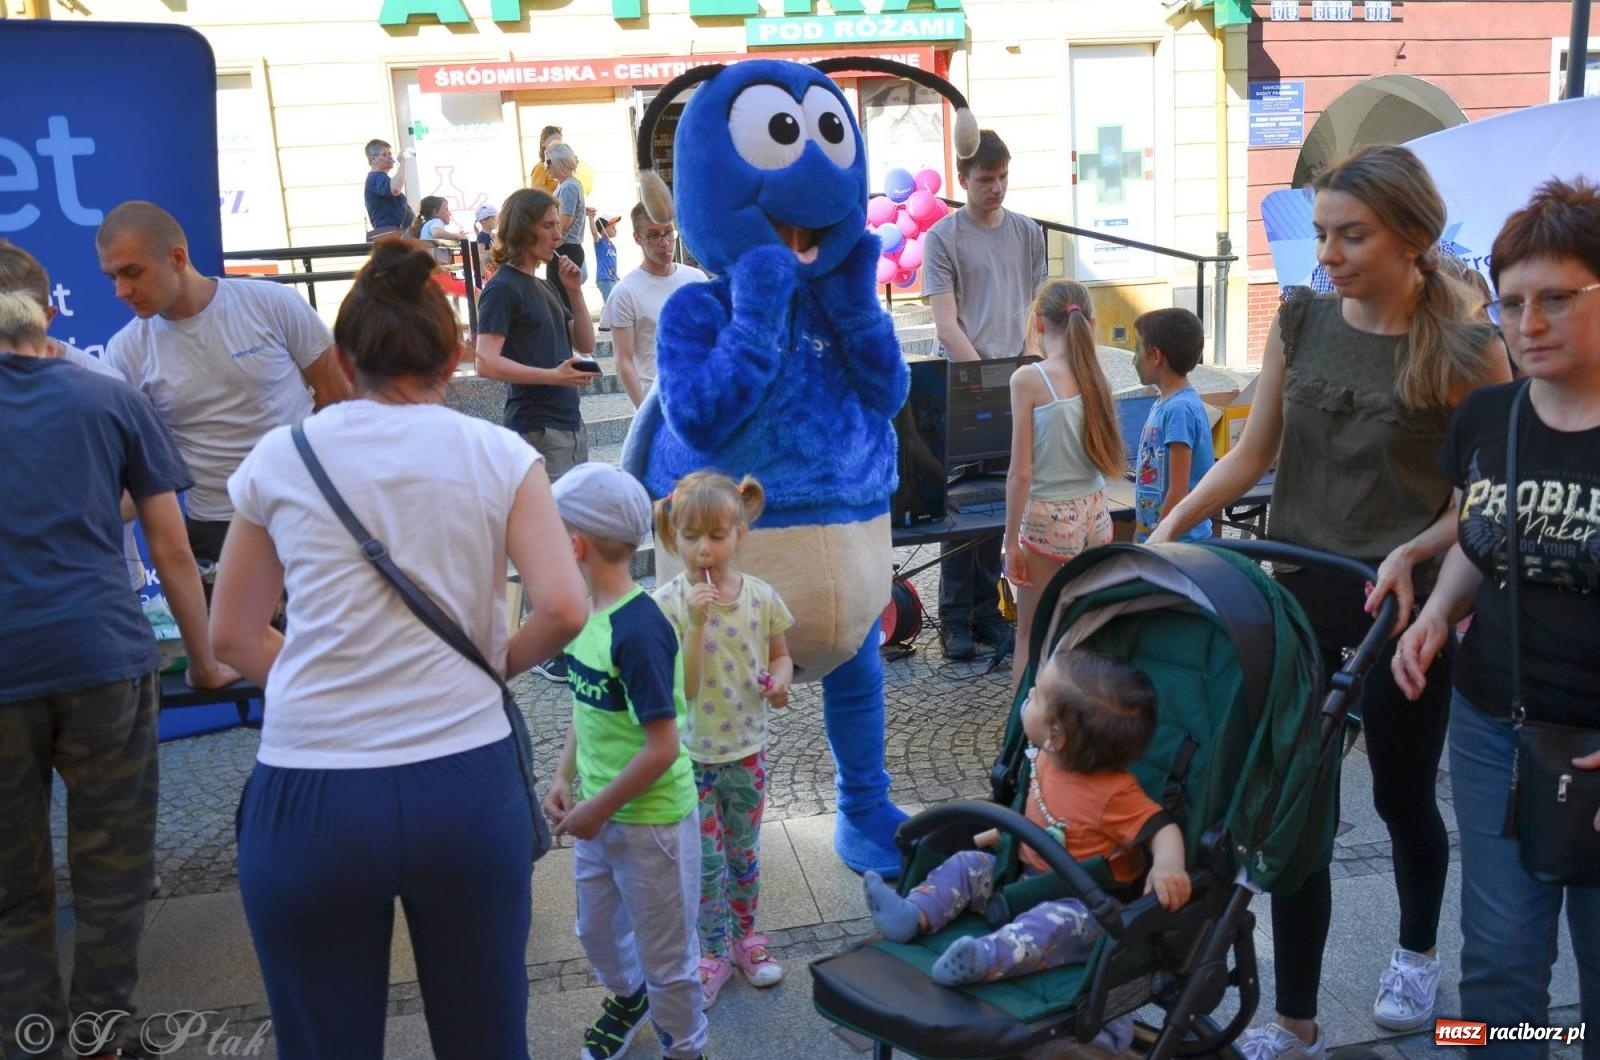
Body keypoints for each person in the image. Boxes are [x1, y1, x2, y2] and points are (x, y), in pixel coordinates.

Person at [1149, 144, 1511, 1057]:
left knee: (1400, 792)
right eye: (1322, 234)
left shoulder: (1467, 349)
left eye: (1352, 235)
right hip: (1298, 589)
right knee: (1293, 800)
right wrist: (1172, 524)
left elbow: (1488, 492)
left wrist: (1420, 552)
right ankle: (1296, 1017)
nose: (1329, 254)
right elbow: (1252, 454)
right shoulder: (1301, 320)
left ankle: (1416, 951)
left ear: (1412, 238)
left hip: (1403, 604)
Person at [208, 238, 588, 1060]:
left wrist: (316, 683)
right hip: (465, 782)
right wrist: (489, 664)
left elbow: (231, 635)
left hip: (312, 792)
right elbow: (563, 606)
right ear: (453, 356)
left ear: (344, 360)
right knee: (486, 1036)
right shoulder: (500, 454)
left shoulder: (282, 456)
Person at [0, 288, 235, 1060]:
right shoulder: (109, 398)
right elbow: (171, 545)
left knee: (10, 879)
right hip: (101, 655)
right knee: (113, 866)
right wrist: (205, 658)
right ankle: (103, 1036)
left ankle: (28, 1038)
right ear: (48, 321)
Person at [1394, 177, 1600, 1054]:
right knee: (1498, 968)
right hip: (1494, 730)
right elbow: (1483, 538)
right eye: (1511, 303)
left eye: (1557, 298)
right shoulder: (1489, 415)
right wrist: (1438, 612)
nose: (1529, 323)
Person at [859, 649, 1189, 1052]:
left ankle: (984, 958)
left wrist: (1168, 864)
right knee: (966, 864)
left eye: (1037, 695)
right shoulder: (1043, 760)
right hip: (1018, 875)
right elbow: (1037, 817)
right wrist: (993, 836)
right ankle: (912, 915)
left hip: (1087, 906)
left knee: (1049, 923)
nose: (1028, 693)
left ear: (1056, 735)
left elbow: (1161, 826)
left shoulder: (1116, 794)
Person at [543, 462, 709, 1060]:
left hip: (652, 824)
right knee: (595, 931)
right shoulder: (581, 614)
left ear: (574, 545)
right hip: (598, 812)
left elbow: (663, 747)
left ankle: (686, 1046)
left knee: (669, 956)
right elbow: (587, 704)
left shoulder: (638, 630)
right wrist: (564, 775)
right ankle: (628, 996)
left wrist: (596, 810)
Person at [97, 201, 352, 568]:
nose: (121, 291)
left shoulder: (270, 302)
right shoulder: (125, 351)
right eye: (112, 278)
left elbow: (339, 401)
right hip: (216, 527)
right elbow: (131, 470)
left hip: (309, 505)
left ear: (177, 257)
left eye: (132, 272)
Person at [652, 471, 796, 1008]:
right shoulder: (668, 604)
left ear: (739, 533)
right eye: (690, 537)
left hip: (747, 751)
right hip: (692, 757)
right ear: (673, 537)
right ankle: (711, 951)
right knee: (705, 862)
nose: (703, 549)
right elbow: (685, 687)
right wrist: (696, 622)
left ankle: (747, 939)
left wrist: (779, 682)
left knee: (744, 853)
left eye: (716, 536)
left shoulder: (761, 598)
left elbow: (781, 655)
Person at [923, 129, 1047, 661]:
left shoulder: (1028, 233)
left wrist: (1026, 361)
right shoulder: (942, 238)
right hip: (964, 383)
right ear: (962, 179)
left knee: (1001, 498)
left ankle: (986, 610)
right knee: (961, 505)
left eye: (1002, 178)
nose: (996, 188)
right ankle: (954, 616)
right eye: (985, 180)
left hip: (1016, 378)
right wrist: (986, 379)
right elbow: (945, 324)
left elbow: (1037, 309)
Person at [476, 188, 598, 683]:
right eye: (548, 225)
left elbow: (586, 343)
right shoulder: (503, 287)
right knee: (548, 540)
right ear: (524, 228)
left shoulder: (544, 285)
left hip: (567, 424)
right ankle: (546, 648)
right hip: (536, 427)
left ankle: (560, 639)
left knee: (568, 535)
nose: (557, 234)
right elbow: (485, 361)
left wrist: (574, 291)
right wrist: (552, 377)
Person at [0, 240, 143, 590]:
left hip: (102, 585)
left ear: (48, 316)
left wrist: (56, 523)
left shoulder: (105, 385)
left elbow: (139, 494)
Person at [1003, 280, 1123, 685]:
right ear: (1089, 321)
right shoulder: (1096, 377)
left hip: (1048, 517)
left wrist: (1010, 543)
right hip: (1095, 513)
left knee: (1030, 636)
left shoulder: (1028, 379)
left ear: (1039, 323)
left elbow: (1020, 473)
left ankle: (1025, 721)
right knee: (1083, 630)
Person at [600, 203, 707, 408]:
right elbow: (623, 360)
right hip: (657, 401)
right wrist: (644, 410)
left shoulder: (696, 278)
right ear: (637, 238)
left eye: (669, 233)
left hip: (701, 397)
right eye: (654, 236)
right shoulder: (625, 292)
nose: (664, 242)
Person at [1131, 307, 1216, 543]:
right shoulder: (1164, 404)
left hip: (1179, 544)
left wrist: (1157, 541)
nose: (1134, 359)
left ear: (1156, 356)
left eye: (1137, 350)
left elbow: (1178, 491)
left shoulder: (1179, 410)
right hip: (1160, 540)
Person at [545, 143, 588, 316]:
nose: (546, 167)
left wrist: (550, 243)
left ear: (559, 161)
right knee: (563, 302)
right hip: (568, 248)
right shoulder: (568, 185)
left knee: (561, 304)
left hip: (565, 249)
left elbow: (564, 222)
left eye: (548, 162)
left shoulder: (568, 187)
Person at [413, 195, 469, 301]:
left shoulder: (426, 224)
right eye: (446, 209)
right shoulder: (436, 221)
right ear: (435, 212)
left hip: (429, 265)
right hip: (436, 264)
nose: (449, 212)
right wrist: (457, 237)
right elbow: (437, 233)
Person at [363, 138, 413, 240]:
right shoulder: (375, 177)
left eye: (390, 154)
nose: (390, 158)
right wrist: (402, 163)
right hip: (391, 236)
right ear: (373, 159)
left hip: (397, 234)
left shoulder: (382, 178)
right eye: (385, 154)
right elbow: (395, 189)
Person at [593, 213, 621, 307]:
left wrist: (616, 276)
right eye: (613, 227)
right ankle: (605, 317)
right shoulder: (600, 243)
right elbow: (594, 233)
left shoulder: (612, 246)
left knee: (614, 303)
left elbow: (613, 263)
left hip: (613, 278)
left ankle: (606, 316)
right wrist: (591, 217)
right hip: (604, 278)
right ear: (603, 230)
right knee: (610, 304)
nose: (615, 230)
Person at [528, 125, 563, 194]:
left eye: (559, 143)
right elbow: (537, 194)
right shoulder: (540, 168)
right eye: (552, 142)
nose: (556, 146)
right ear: (543, 143)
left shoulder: (560, 167)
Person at [475, 202, 499, 286]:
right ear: (483, 220)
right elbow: (480, 252)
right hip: (487, 272)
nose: (496, 221)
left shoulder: (491, 235)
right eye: (493, 218)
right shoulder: (483, 236)